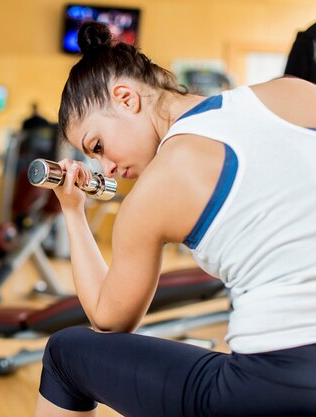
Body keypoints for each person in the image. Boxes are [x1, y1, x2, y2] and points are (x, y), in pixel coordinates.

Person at [34, 21, 316, 417]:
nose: (107, 168)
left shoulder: (157, 190)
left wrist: (72, 209)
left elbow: (108, 320)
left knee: (65, 355)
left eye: (98, 146)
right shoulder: (293, 91)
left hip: (277, 385)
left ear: (126, 98)